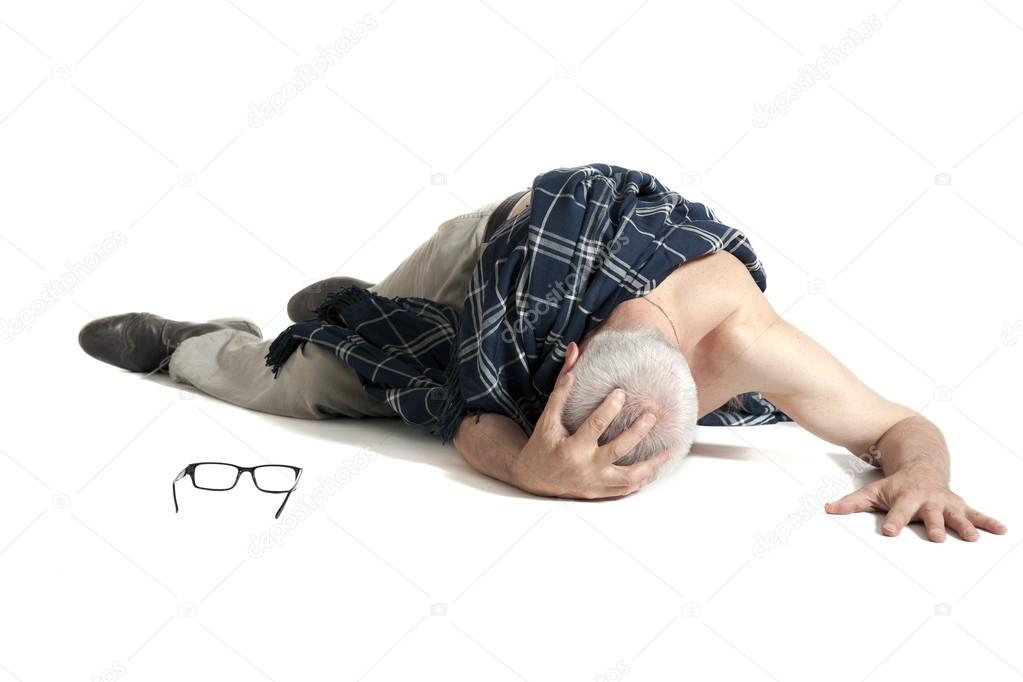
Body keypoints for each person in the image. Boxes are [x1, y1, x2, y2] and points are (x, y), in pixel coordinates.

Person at [78, 164, 1006, 543]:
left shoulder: (756, 345)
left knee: (366, 346)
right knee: (308, 383)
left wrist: (922, 473)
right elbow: (474, 412)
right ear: (572, 356)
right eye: (547, 399)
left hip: (544, 314)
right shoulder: (535, 274)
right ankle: (196, 347)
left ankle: (349, 314)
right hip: (483, 247)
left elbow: (899, 425)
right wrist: (526, 466)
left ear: (701, 391)